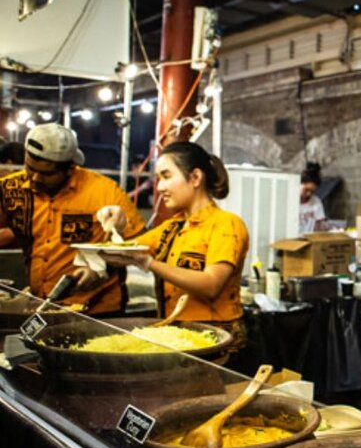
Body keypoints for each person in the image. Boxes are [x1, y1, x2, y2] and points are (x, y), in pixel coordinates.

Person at [101, 141, 250, 359]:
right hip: (179, 337)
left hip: (215, 342)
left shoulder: (226, 224)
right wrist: (118, 225)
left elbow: (211, 285)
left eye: (166, 176)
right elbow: (122, 254)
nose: (160, 187)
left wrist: (150, 264)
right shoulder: (173, 226)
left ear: (195, 178)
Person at [0, 123, 144, 315]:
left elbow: (144, 245)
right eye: (30, 168)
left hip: (97, 310)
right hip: (40, 307)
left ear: (70, 169)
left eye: (46, 173)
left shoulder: (105, 192)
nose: (34, 178)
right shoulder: (9, 190)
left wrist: (100, 266)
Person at [298, 161, 325, 234]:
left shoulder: (316, 202)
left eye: (312, 191)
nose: (309, 194)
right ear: (299, 184)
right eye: (306, 190)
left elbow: (319, 224)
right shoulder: (289, 200)